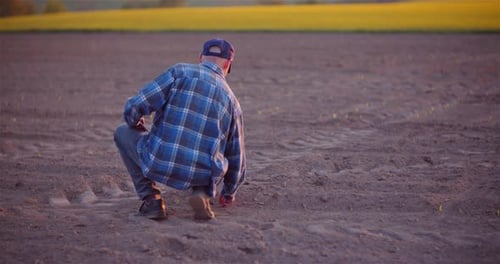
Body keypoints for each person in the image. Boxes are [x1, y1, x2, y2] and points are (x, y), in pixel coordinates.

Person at [114, 38, 246, 221]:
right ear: (228, 65)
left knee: (122, 132)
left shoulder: (179, 72)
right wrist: (229, 192)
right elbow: (236, 156)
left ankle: (152, 201)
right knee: (214, 155)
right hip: (202, 173)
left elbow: (136, 105)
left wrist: (134, 120)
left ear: (201, 58)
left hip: (159, 160)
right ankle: (201, 192)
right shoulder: (233, 102)